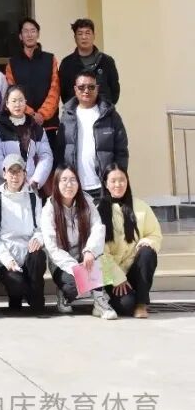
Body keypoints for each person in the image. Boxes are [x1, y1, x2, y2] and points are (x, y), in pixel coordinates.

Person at [41, 165, 115, 319]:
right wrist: (76, 269)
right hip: (61, 261)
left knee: (102, 263)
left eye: (73, 180)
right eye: (64, 180)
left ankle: (100, 304)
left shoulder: (86, 202)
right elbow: (52, 248)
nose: (69, 184)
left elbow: (97, 228)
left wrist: (90, 251)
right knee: (73, 287)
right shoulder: (49, 208)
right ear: (56, 183)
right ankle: (64, 294)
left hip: (84, 254)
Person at [58, 69, 129, 202]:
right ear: (75, 89)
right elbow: (60, 151)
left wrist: (116, 179)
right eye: (81, 87)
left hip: (103, 187)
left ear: (97, 88)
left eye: (91, 87)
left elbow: (121, 150)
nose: (86, 91)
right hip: (75, 188)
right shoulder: (67, 116)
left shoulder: (110, 115)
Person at [0, 154, 47, 314]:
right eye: (11, 171)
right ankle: (19, 296)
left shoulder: (33, 198)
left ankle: (36, 301)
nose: (15, 176)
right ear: (4, 174)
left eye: (18, 171)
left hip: (28, 255)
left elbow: (41, 228)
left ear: (24, 174)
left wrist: (38, 239)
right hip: (8, 259)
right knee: (17, 284)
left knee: (39, 256)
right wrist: (7, 260)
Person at [98, 165, 160, 318]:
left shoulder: (141, 207)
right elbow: (99, 252)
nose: (118, 184)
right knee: (126, 306)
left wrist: (146, 241)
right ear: (106, 184)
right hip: (111, 274)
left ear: (128, 181)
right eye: (113, 181)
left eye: (122, 180)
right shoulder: (98, 210)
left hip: (133, 268)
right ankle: (121, 299)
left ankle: (141, 304)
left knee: (147, 252)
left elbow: (154, 235)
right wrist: (117, 278)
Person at [5, 17, 61, 155]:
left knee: (49, 163)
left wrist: (42, 114)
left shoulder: (50, 59)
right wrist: (31, 114)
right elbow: (12, 92)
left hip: (48, 125)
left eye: (33, 31)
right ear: (20, 36)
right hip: (22, 124)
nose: (29, 35)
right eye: (26, 31)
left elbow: (55, 89)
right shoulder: (12, 63)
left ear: (38, 34)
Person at [0, 84, 54, 193]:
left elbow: (46, 156)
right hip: (6, 187)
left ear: (25, 102)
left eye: (20, 100)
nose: (17, 104)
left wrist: (36, 181)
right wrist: (12, 178)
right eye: (14, 101)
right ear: (7, 104)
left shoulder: (35, 128)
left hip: (30, 186)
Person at [59, 18, 120, 105]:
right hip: (77, 111)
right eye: (80, 34)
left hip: (103, 111)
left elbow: (115, 90)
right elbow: (64, 93)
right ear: (75, 37)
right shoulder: (67, 63)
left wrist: (104, 108)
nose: (84, 37)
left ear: (94, 36)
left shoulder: (107, 61)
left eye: (87, 33)